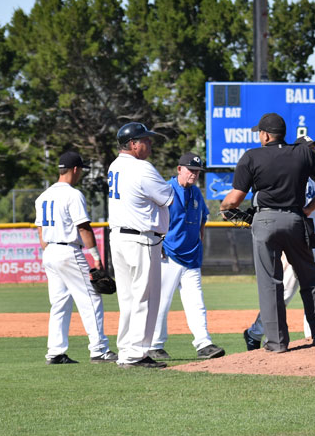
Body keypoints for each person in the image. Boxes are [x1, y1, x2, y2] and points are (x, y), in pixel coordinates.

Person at [221, 114, 315, 353]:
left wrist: (225, 208)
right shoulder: (303, 153)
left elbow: (235, 198)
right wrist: (309, 209)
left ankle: (277, 342)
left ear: (265, 135)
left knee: (271, 283)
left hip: (265, 220)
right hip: (296, 220)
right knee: (311, 278)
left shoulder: (251, 156)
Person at [34, 151, 118, 365]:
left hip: (50, 251)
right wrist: (96, 258)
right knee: (91, 299)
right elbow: (83, 227)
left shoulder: (43, 196)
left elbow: (40, 231)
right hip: (68, 250)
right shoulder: (72, 194)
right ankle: (99, 350)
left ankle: (55, 352)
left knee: (59, 304)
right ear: (75, 170)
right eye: (81, 170)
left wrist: (49, 251)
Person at [107, 122, 175, 369]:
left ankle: (126, 350)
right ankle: (136, 354)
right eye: (145, 139)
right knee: (144, 297)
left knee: (128, 298)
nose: (150, 143)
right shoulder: (141, 168)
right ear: (133, 144)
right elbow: (168, 197)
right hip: (141, 238)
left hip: (119, 237)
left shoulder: (115, 166)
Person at [149, 152, 225, 361]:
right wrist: (158, 244)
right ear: (179, 169)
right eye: (191, 170)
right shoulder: (166, 189)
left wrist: (199, 239)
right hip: (169, 254)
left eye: (198, 171)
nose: (194, 174)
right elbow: (153, 218)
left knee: (196, 302)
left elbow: (202, 218)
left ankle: (204, 344)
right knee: (162, 301)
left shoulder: (196, 193)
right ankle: (154, 344)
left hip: (192, 256)